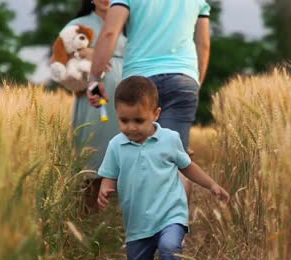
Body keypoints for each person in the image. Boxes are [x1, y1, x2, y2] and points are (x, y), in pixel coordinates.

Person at [96, 76, 230, 260]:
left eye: (138, 121)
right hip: (138, 223)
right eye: (124, 121)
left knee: (170, 247)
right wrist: (105, 189)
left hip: (171, 212)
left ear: (156, 114)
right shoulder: (115, 146)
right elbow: (109, 175)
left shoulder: (170, 139)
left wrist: (212, 184)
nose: (131, 127)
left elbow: (187, 167)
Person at [87, 0, 211, 197]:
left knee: (138, 160)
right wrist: (194, 83)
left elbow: (110, 33)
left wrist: (94, 78)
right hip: (182, 78)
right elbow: (203, 45)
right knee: (175, 161)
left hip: (139, 80)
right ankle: (176, 225)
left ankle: (145, 223)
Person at [60, 0, 127, 211]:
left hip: (127, 96)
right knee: (94, 150)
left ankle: (121, 215)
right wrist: (82, 53)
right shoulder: (78, 25)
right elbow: (59, 61)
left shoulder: (128, 23)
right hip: (94, 100)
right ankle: (89, 212)